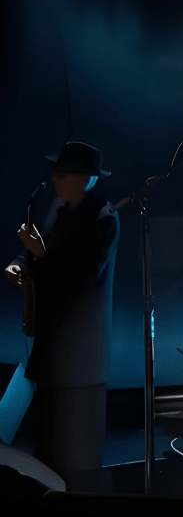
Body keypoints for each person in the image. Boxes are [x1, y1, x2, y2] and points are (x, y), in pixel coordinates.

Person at [5, 141, 119, 491]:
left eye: (65, 173)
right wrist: (21, 264)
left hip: (80, 357)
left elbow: (81, 274)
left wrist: (39, 254)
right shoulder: (58, 209)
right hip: (51, 352)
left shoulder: (103, 217)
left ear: (88, 179)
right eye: (56, 172)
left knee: (76, 463)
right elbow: (46, 250)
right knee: (47, 451)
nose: (56, 179)